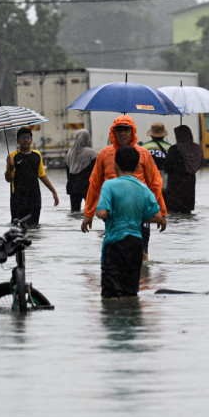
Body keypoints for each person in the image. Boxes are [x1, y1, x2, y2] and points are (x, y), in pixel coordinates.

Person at [81, 115, 167, 261]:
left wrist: (162, 213)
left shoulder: (143, 154)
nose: (122, 133)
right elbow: (95, 185)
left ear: (132, 132)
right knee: (116, 251)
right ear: (112, 133)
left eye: (126, 130)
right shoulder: (104, 154)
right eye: (118, 130)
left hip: (139, 208)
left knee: (142, 252)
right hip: (114, 211)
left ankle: (143, 281)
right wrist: (88, 215)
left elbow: (155, 184)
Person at [96, 146, 166, 298]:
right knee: (131, 292)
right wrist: (136, 216)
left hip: (114, 244)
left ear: (115, 165)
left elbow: (102, 213)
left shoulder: (109, 185)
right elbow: (158, 216)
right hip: (135, 244)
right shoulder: (143, 188)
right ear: (136, 167)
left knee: (110, 293)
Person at [5, 127, 60, 225]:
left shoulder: (37, 155)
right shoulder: (13, 156)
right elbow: (8, 179)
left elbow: (42, 175)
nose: (26, 140)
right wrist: (10, 166)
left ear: (31, 140)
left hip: (34, 198)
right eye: (22, 137)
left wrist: (54, 191)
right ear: (18, 140)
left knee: (34, 227)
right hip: (18, 198)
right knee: (17, 228)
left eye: (28, 137)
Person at [164, 124, 204, 214]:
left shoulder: (174, 149)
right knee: (186, 213)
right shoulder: (198, 149)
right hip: (190, 185)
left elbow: (167, 167)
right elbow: (201, 164)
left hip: (174, 186)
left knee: (173, 214)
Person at [64, 128, 96, 214]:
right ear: (87, 138)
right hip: (87, 187)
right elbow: (95, 173)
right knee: (90, 212)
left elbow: (68, 173)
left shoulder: (69, 153)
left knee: (74, 212)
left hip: (73, 187)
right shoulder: (91, 153)